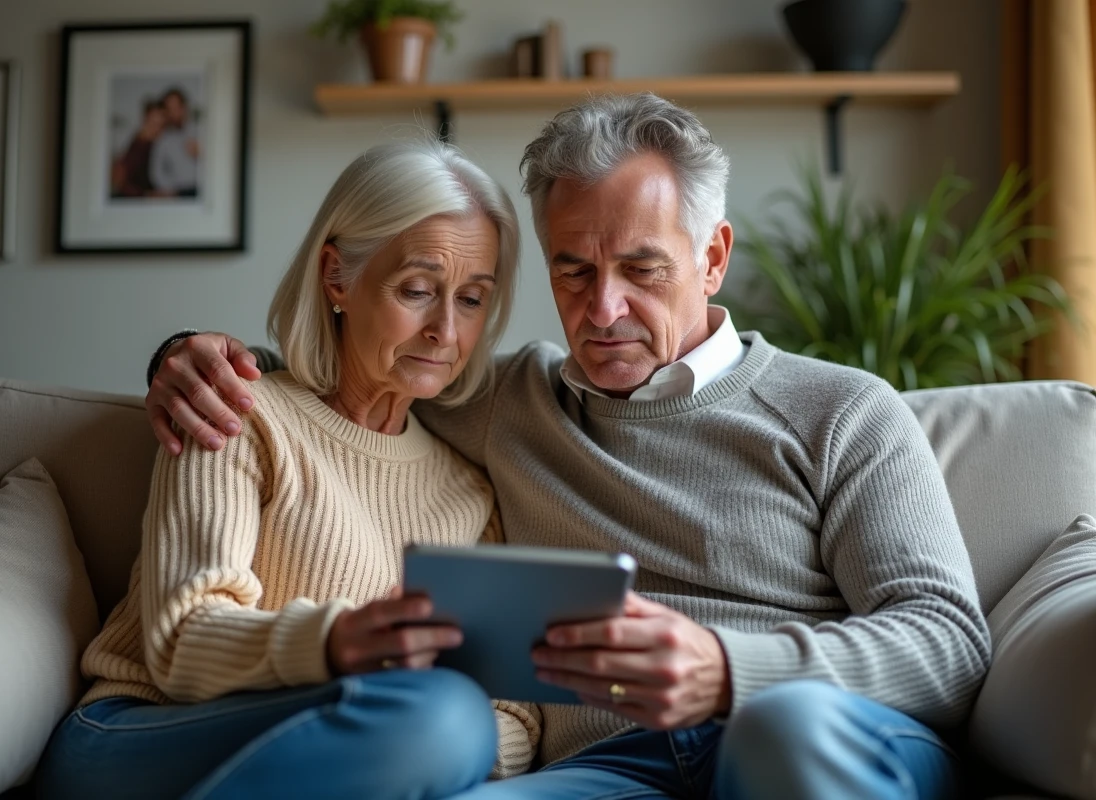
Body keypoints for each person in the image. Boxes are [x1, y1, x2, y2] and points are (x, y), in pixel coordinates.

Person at [144, 93, 992, 799]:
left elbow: (949, 643)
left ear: (714, 257)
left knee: (787, 729)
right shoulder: (507, 401)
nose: (604, 310)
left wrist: (734, 671)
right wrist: (187, 356)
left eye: (643, 269)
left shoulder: (842, 410)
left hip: (814, 736)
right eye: (574, 271)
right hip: (610, 769)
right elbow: (353, 374)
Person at [37, 138, 540, 800]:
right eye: (417, 289)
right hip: (140, 733)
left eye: (473, 299)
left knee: (448, 721)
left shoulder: (469, 491)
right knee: (440, 717)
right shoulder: (240, 412)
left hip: (366, 742)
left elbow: (513, 716)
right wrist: (335, 643)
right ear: (337, 277)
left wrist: (435, 742)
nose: (446, 330)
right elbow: (180, 642)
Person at [149, 87, 200, 198]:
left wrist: (201, 154)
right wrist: (171, 191)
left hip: (203, 190)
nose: (174, 113)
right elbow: (156, 172)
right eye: (169, 109)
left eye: (176, 108)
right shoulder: (162, 139)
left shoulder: (200, 131)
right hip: (177, 193)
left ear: (184, 107)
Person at [113, 100, 167, 198]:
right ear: (145, 120)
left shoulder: (155, 145)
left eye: (160, 125)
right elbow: (120, 181)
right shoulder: (138, 146)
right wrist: (146, 195)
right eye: (153, 123)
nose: (156, 129)